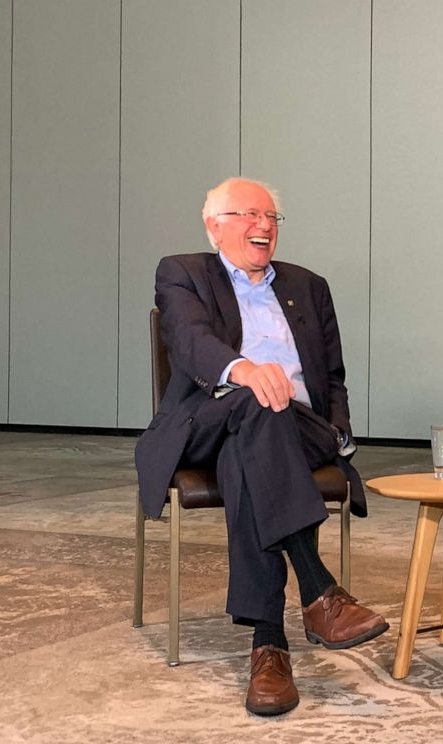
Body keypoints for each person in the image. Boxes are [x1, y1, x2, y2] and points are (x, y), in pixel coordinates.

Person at [135, 177, 388, 717]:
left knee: (253, 440)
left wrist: (339, 431)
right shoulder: (183, 272)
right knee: (255, 403)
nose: (264, 226)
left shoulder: (308, 284)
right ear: (214, 224)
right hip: (205, 420)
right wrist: (244, 370)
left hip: (300, 428)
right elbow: (189, 338)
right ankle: (319, 592)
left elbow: (334, 376)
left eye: (272, 217)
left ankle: (269, 643)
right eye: (249, 214)